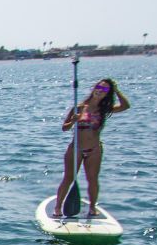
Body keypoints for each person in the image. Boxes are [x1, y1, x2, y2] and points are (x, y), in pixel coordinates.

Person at [53, 78, 130, 217]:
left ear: (108, 93)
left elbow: (125, 106)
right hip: (75, 149)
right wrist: (72, 121)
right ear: (94, 88)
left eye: (105, 89)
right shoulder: (79, 108)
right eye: (99, 87)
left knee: (92, 179)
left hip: (94, 150)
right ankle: (58, 208)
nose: (100, 91)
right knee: (68, 178)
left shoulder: (104, 110)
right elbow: (64, 128)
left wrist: (117, 90)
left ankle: (92, 208)